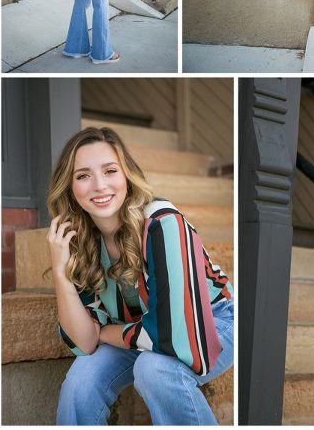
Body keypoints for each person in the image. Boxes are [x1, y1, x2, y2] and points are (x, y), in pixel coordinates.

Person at [47, 127, 233, 424]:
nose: (99, 185)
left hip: (209, 320)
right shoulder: (78, 240)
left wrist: (105, 333)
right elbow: (84, 343)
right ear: (69, 188)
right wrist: (60, 273)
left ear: (126, 175)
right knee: (80, 381)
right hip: (138, 330)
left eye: (110, 171)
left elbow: (174, 336)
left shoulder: (163, 224)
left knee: (155, 370)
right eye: (83, 176)